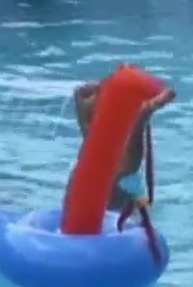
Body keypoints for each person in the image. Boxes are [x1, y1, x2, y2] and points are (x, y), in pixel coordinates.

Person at [71, 80, 176, 210]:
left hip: (89, 194)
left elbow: (81, 94)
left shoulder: (91, 140)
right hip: (111, 200)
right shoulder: (120, 158)